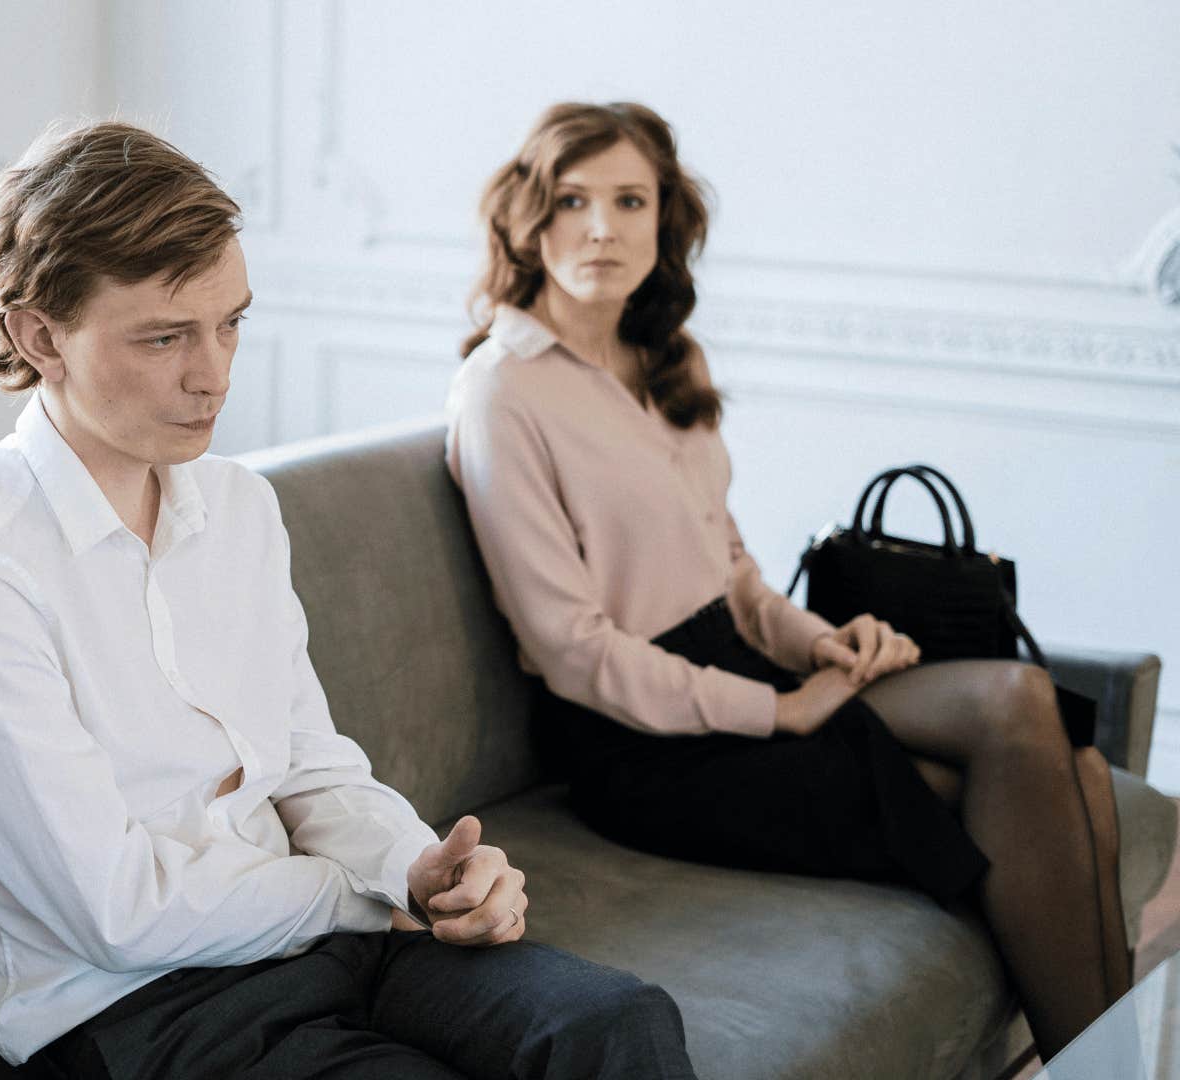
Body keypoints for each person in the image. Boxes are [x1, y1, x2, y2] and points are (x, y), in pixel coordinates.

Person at [0, 119, 698, 1079]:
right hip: (139, 1012)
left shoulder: (238, 508)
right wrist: (355, 894)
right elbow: (119, 912)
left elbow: (306, 760)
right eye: (165, 336)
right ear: (38, 336)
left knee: (616, 1026)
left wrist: (416, 868)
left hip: (325, 944)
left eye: (231, 323)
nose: (214, 375)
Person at [444, 101, 1129, 1060]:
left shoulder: (667, 357)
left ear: (664, 221)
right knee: (1055, 771)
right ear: (528, 220)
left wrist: (821, 643)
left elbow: (731, 570)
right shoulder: (501, 390)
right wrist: (782, 712)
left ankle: (1110, 1063)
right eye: (570, 200)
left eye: (629, 201)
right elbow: (572, 651)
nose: (600, 227)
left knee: (1036, 717)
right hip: (638, 740)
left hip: (736, 665)